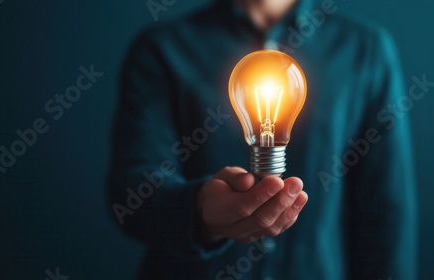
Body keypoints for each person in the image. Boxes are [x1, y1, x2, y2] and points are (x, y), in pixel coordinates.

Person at [107, 0, 417, 279]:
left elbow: (386, 208)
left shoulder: (365, 49)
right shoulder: (162, 48)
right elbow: (131, 194)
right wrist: (201, 210)